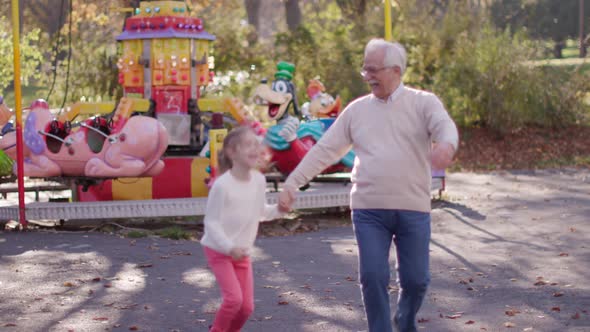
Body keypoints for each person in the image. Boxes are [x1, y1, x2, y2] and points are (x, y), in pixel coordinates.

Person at [278, 38, 459, 332]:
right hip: (369, 209)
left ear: (396, 71)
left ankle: (405, 318)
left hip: (412, 207)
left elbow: (444, 126)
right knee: (373, 275)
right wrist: (292, 184)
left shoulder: (423, 102)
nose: (368, 76)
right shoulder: (357, 110)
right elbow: (324, 151)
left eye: (374, 70)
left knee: (417, 280)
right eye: (365, 70)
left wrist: (446, 146)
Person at [201, 126, 286, 332]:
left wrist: (279, 209)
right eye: (248, 145)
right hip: (219, 250)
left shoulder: (258, 180)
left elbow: (260, 212)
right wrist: (229, 247)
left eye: (257, 145)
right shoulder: (222, 185)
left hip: (242, 252)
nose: (255, 149)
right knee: (233, 300)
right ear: (232, 152)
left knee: (246, 308)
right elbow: (211, 223)